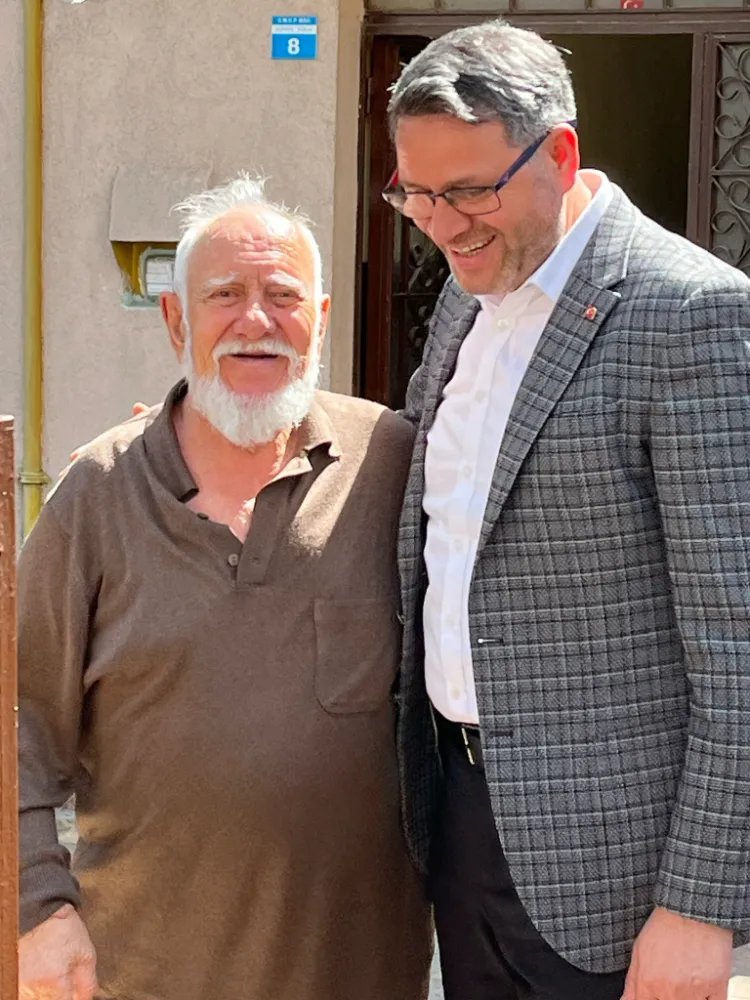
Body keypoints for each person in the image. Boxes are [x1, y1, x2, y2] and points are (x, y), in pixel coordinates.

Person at [385, 19, 750, 1000]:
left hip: (615, 880)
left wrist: (701, 906)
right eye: (417, 193)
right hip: (462, 818)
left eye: (470, 191)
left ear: (559, 153)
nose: (442, 225)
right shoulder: (467, 294)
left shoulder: (692, 314)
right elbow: (429, 496)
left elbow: (739, 643)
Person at [17, 175, 432, 1000]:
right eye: (224, 296)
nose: (256, 320)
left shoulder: (392, 465)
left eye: (282, 296)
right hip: (143, 977)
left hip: (361, 976)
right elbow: (16, 723)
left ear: (320, 317)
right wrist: (35, 903)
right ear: (177, 320)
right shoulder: (98, 495)